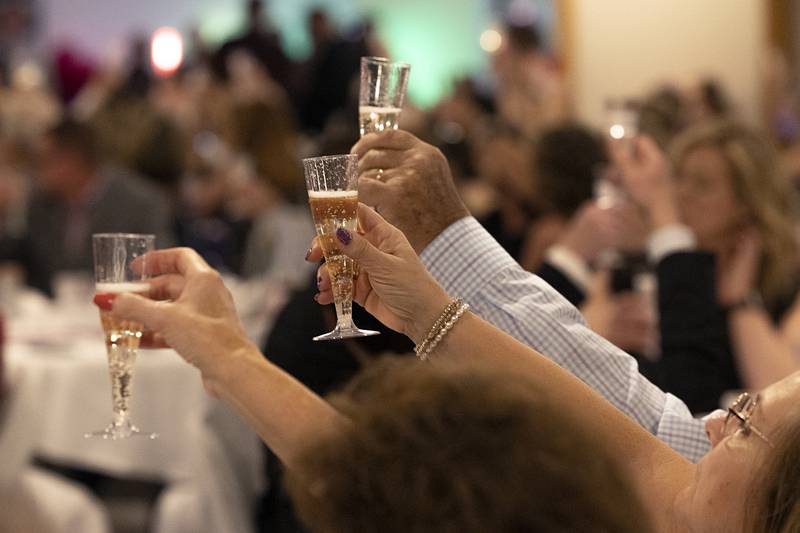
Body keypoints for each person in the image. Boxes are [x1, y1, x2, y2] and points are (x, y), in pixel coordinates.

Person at [111, 201, 800, 531]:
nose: (711, 423)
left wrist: (229, 354)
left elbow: (376, 492)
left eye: (744, 423)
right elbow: (616, 433)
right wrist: (425, 309)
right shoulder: (690, 502)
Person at [351, 129, 709, 461]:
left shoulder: (716, 279)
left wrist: (664, 217)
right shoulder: (535, 225)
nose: (683, 192)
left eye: (703, 183)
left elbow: (677, 403)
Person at [612, 120, 800, 412]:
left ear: (746, 203)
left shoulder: (787, 283)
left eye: (702, 184)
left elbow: (786, 403)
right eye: (678, 179)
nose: (681, 194)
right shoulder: (644, 270)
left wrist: (739, 301)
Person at [0, 118, 172, 296]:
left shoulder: (140, 201)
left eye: (43, 161)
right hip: (54, 316)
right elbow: (22, 259)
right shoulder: (40, 204)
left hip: (122, 309)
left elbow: (160, 265)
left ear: (72, 160)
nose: (36, 170)